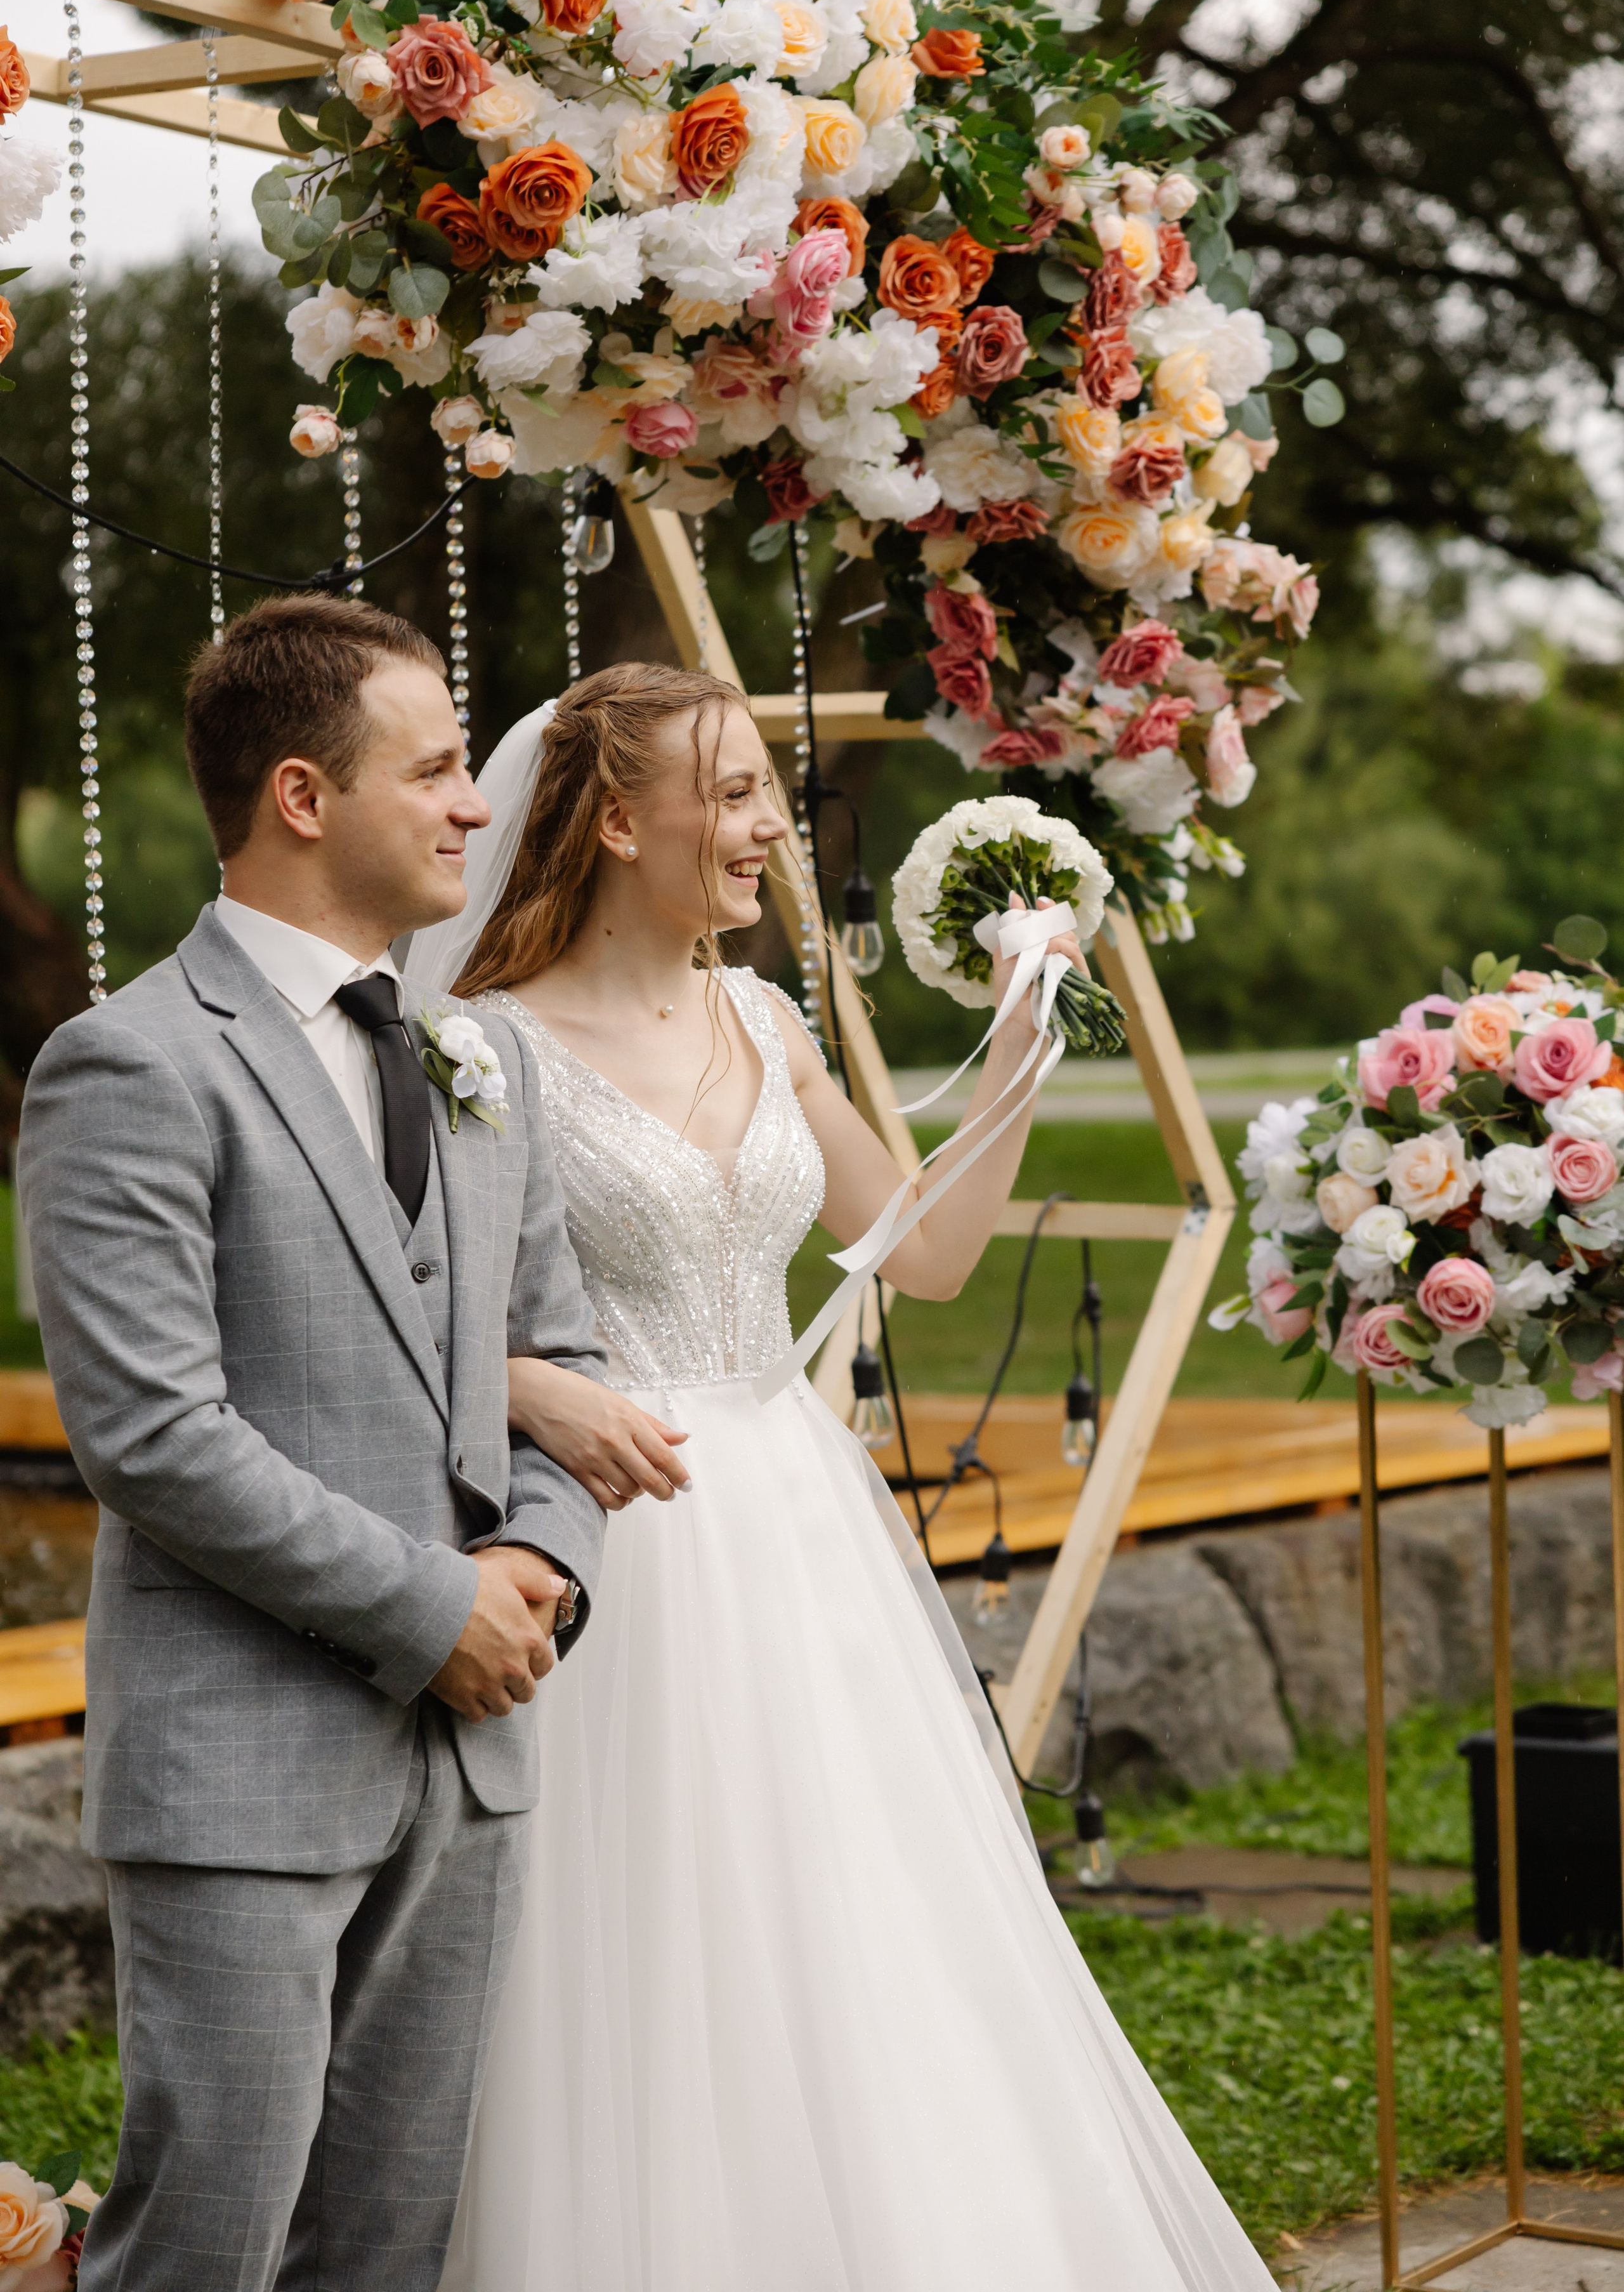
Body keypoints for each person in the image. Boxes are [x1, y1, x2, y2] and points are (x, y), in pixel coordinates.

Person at [412, 661, 1274, 2292]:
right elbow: (398, 1316)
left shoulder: (762, 1015)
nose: (764, 832)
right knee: (654, 1947)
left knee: (862, 1922)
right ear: (611, 821)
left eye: (760, 795)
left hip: (800, 1519)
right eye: (729, 796)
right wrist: (531, 1387)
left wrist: (1027, 1032)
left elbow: (927, 1252)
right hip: (617, 1532)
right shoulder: (482, 1049)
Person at [18, 595, 629, 2292]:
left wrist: (539, 1568)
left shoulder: (479, 1049)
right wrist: (434, 1608)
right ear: (303, 794)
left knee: (385, 2252)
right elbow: (153, 1435)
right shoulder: (127, 1065)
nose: (473, 804)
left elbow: (558, 1360)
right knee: (200, 2248)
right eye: (435, 769)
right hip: (245, 1769)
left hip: (471, 1767)